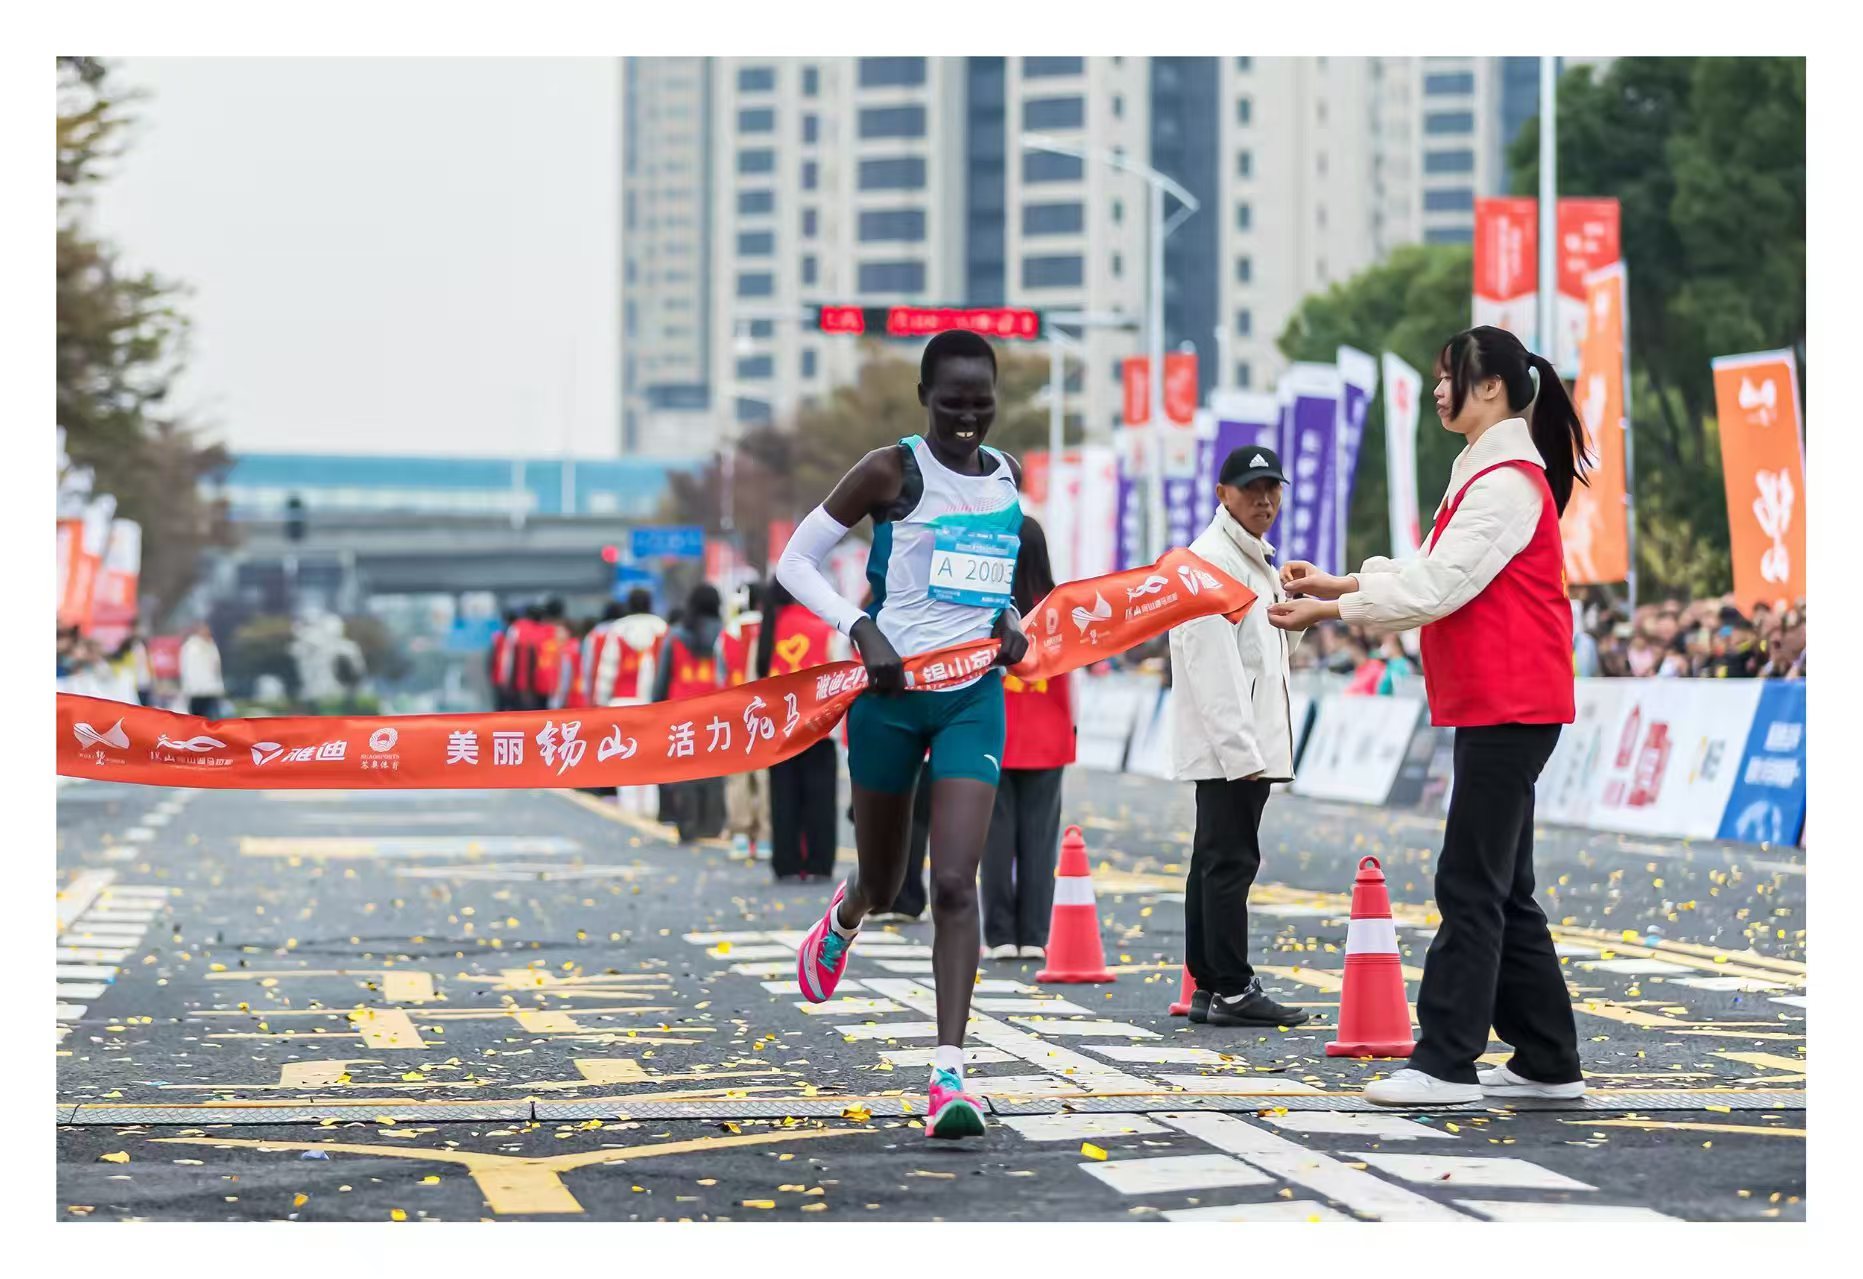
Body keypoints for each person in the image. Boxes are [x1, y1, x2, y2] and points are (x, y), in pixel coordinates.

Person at [1269, 324, 1586, 1106]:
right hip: (1502, 701)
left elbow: (1435, 589)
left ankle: (1445, 1060)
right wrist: (1338, 586)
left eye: (1449, 378)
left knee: (1470, 881)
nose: (1438, 391)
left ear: (1489, 388)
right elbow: (1424, 572)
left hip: (1509, 704)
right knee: (1503, 885)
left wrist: (1325, 612)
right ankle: (1547, 1058)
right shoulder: (1486, 473)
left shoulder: (1508, 481)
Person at [777, 328, 1029, 1139]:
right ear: (925, 399)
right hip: (887, 698)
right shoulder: (892, 469)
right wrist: (860, 628)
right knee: (887, 884)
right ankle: (846, 915)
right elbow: (794, 562)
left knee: (955, 882)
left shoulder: (1006, 478)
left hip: (970, 699)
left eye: (981, 402)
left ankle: (948, 1072)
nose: (967, 417)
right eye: (952, 402)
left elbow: (999, 585)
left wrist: (1013, 622)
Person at [1169, 446, 1311, 1029]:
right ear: (1222, 493)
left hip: (1244, 741)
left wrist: (1293, 612)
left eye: (1273, 488)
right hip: (1233, 746)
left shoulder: (1254, 561)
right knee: (1229, 860)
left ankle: (1209, 984)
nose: (1265, 499)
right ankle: (1230, 985)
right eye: (1251, 488)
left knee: (1215, 858)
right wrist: (1241, 755)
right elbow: (1214, 672)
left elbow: (1264, 657)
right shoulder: (1210, 562)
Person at [982, 516, 1075, 962]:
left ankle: (999, 933)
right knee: (1039, 841)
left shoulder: (985, 609)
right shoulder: (1060, 609)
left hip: (993, 732)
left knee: (994, 839)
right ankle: (1035, 933)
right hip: (1047, 737)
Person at [758, 576, 846, 882]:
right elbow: (841, 678)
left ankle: (786, 862)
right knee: (820, 800)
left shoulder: (765, 630)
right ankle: (820, 862)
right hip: (817, 729)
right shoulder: (825, 629)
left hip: (779, 731)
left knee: (783, 799)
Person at [654, 582, 729, 843]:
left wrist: (656, 709)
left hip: (681, 712)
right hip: (716, 712)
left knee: (684, 768)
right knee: (715, 766)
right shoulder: (725, 635)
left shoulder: (675, 636)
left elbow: (662, 678)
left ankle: (687, 823)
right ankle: (712, 824)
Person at [722, 585, 768, 861]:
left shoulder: (731, 629)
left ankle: (740, 835)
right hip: (767, 711)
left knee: (738, 775)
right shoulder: (771, 626)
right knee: (764, 776)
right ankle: (765, 837)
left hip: (735, 708)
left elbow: (722, 667)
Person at [179, 621, 225, 718]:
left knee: (211, 720)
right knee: (197, 720)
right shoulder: (191, 646)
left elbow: (216, 668)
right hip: (196, 691)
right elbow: (187, 669)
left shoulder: (211, 645)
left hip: (211, 690)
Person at [489, 609, 518, 710]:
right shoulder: (499, 637)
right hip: (500, 679)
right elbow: (492, 660)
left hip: (511, 681)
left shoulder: (515, 638)